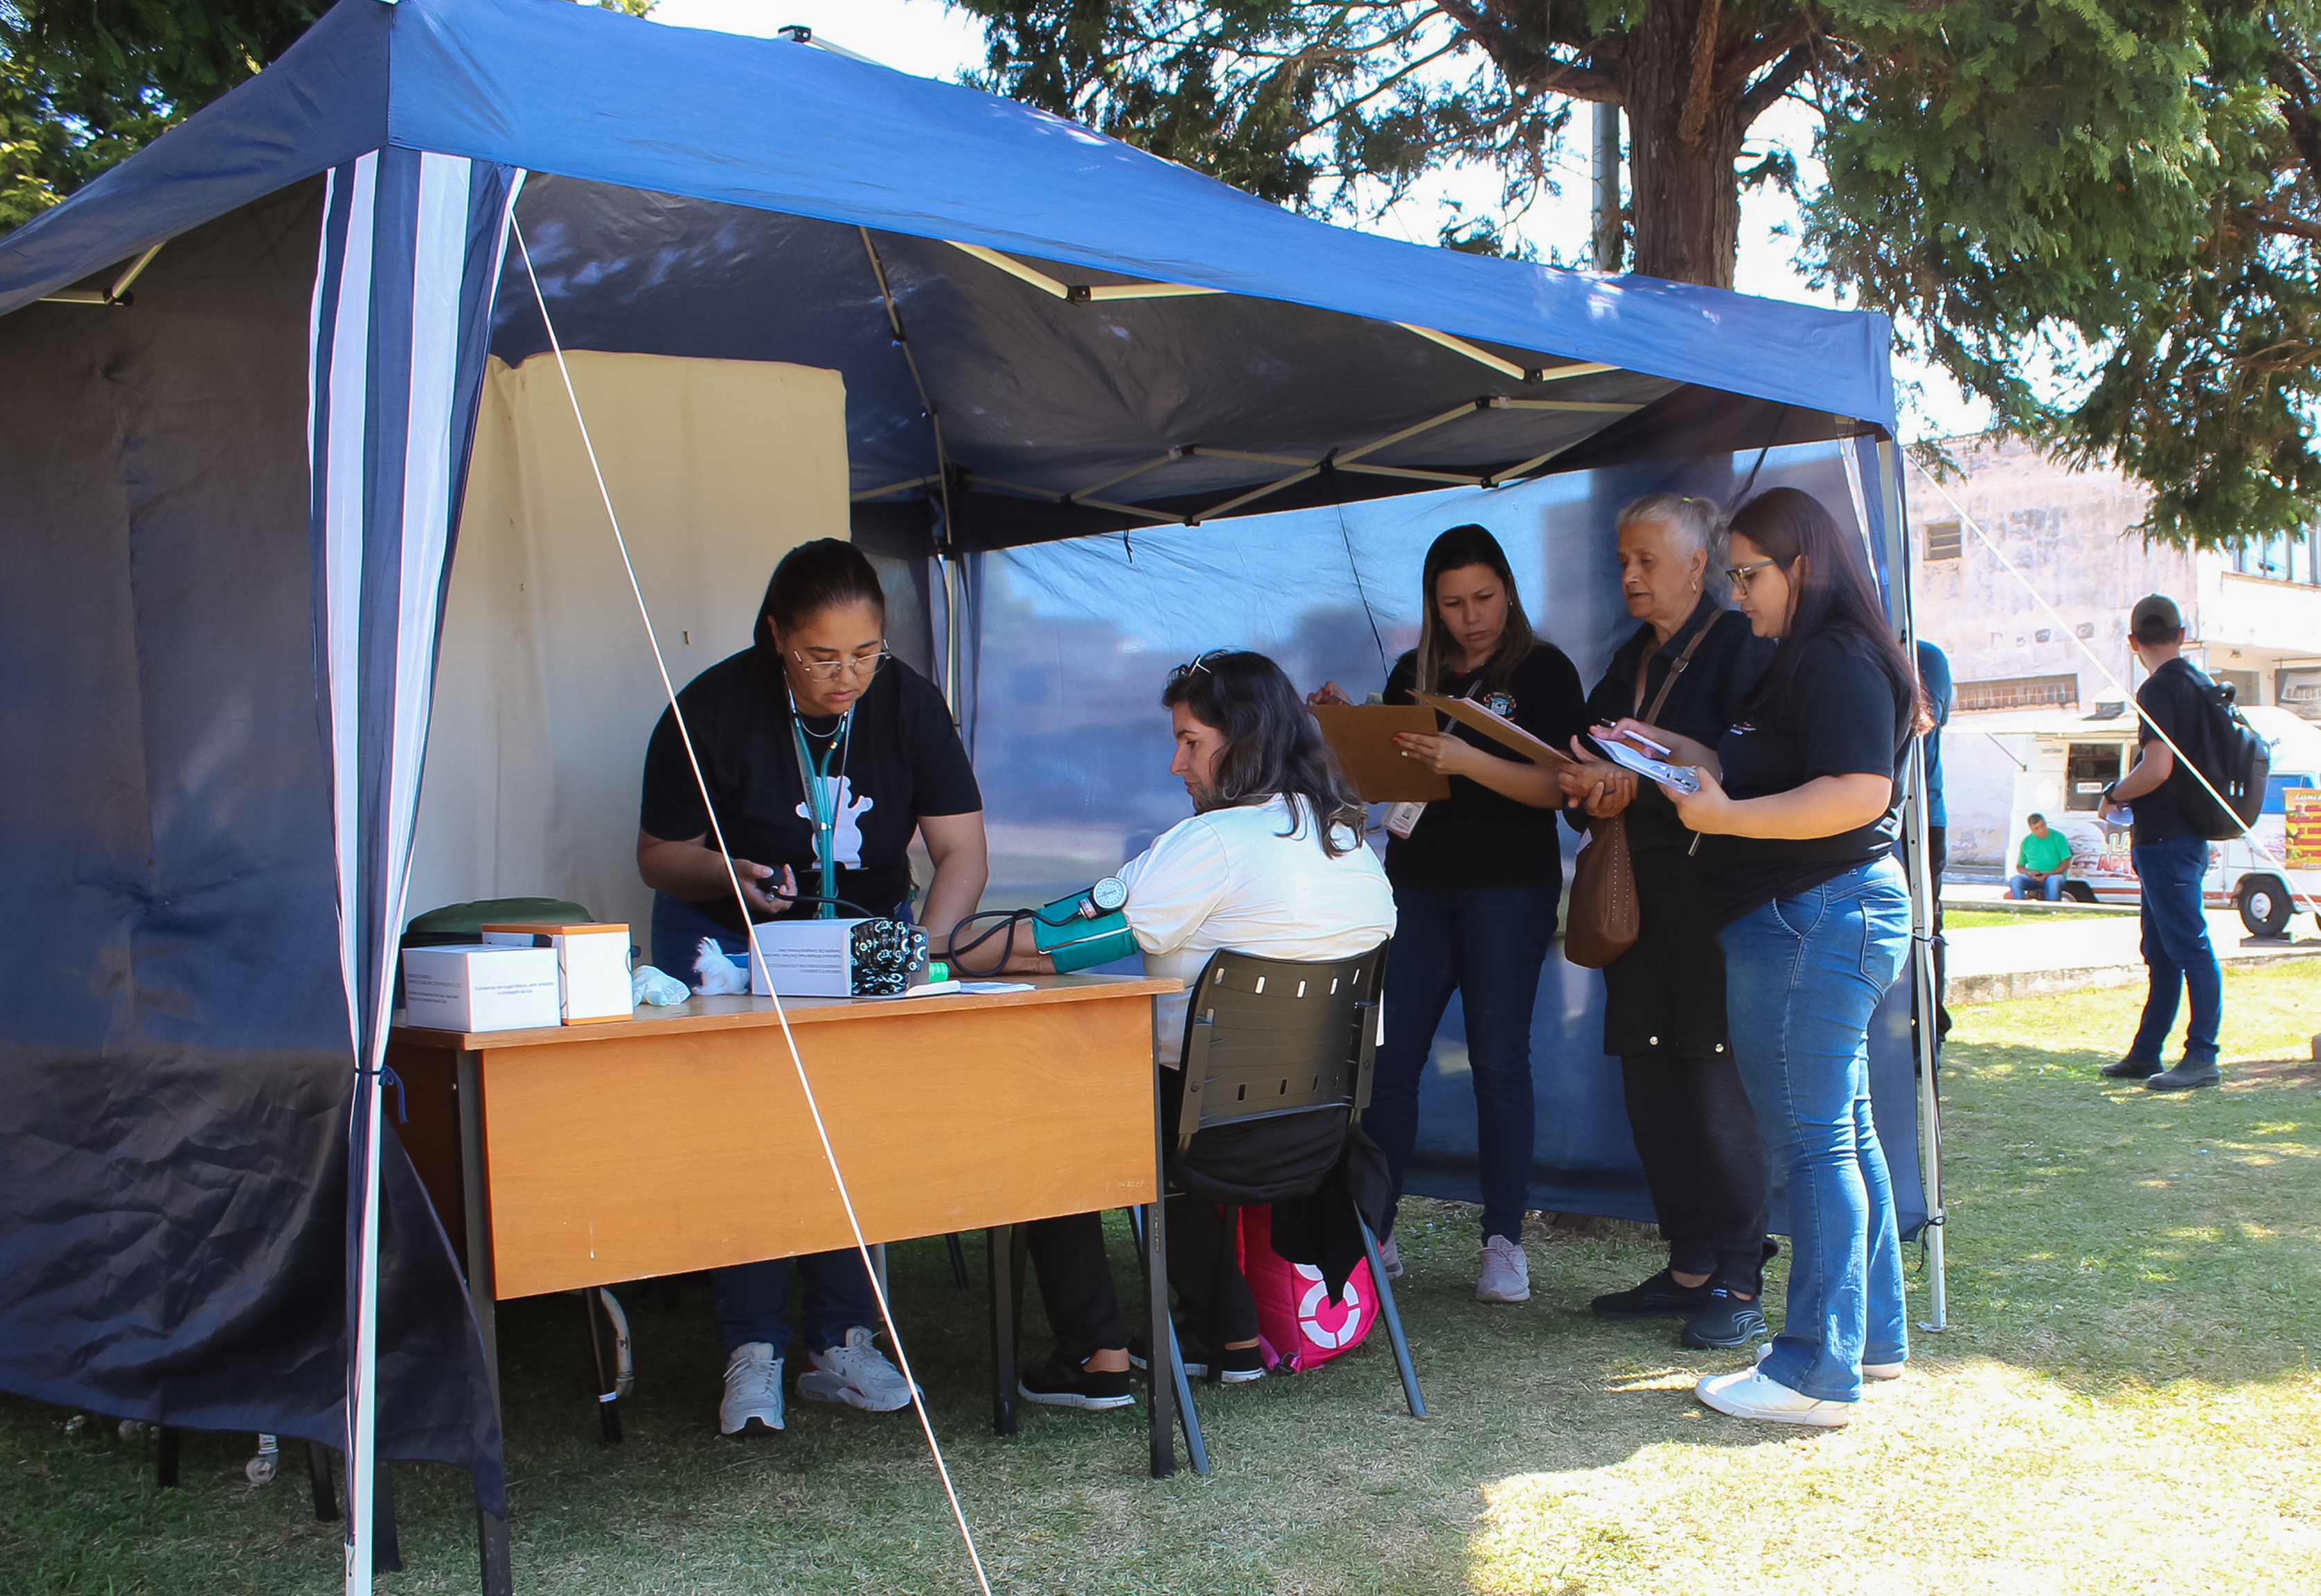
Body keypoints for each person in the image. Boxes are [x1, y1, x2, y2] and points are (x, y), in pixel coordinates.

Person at [972, 650, 1396, 1407]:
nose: (1176, 764)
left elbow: (1064, 941)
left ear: (1246, 740)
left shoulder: (1216, 841)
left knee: (1045, 1123)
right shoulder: (1353, 847)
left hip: (1210, 1132)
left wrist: (930, 949)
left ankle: (1095, 1355)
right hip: (1323, 1134)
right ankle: (1224, 1336)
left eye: (1191, 742)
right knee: (1186, 1092)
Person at [635, 538, 990, 1437]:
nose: (847, 677)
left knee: (850, 1129)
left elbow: (960, 851)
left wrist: (921, 951)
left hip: (862, 937)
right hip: (730, 937)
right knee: (751, 1132)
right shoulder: (711, 709)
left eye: (866, 653)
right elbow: (659, 855)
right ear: (776, 639)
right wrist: (726, 872)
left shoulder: (908, 704)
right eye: (821, 657)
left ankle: (840, 1340)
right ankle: (752, 1346)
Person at [1601, 486, 1925, 1427]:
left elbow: (1858, 792)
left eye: (1747, 575)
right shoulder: (1800, 656)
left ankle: (1812, 1373)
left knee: (1815, 1146)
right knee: (1841, 1134)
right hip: (1811, 916)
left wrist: (1727, 819)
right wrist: (1662, 745)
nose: (1736, 593)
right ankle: (1867, 1340)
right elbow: (1756, 764)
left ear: (1802, 567)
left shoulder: (1834, 656)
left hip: (1812, 916)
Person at [1310, 525, 1586, 1304]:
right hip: (1416, 886)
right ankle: (1378, 1232)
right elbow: (1386, 784)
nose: (1472, 617)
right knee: (1391, 1062)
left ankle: (1503, 1241)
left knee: (1498, 1062)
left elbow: (1561, 787)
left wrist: (1468, 760)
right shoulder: (1413, 673)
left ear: (1509, 592)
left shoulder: (1543, 669)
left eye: (1484, 598)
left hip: (1509, 890)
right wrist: (1347, 730)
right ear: (1433, 606)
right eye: (1454, 603)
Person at [1554, 495, 1778, 1351]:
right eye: (1622, 561)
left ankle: (1740, 1277)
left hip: (1714, 901)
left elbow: (1754, 775)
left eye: (1647, 560)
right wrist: (1588, 787)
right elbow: (1584, 759)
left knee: (1717, 1090)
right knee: (1651, 1090)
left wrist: (1644, 776)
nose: (1630, 576)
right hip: (1636, 901)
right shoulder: (1630, 657)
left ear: (1697, 566)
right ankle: (1688, 1266)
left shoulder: (1741, 647)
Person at [2098, 594, 2224, 1092]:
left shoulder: (2158, 689)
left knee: (2188, 947)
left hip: (2167, 837)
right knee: (2163, 949)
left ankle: (2202, 1055)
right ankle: (2146, 1050)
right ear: (2181, 634)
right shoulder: (2199, 682)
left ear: (2133, 642)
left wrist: (2113, 793)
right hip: (2185, 832)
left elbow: (2156, 769)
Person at [2007, 813, 2073, 901]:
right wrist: (2029, 873)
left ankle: (2052, 907)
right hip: (2033, 878)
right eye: (2037, 828)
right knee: (2016, 880)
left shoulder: (2058, 838)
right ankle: (2021, 906)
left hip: (2054, 875)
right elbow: (2020, 866)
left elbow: (2066, 862)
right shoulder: (2027, 841)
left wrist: (2049, 874)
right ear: (2031, 829)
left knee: (2053, 881)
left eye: (2043, 825)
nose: (2041, 830)